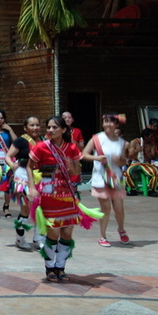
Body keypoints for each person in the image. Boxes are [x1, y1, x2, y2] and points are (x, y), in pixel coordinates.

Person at [26, 116, 96, 282]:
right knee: (53, 231)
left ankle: (61, 267)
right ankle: (50, 267)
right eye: (48, 127)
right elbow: (29, 166)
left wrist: (70, 163)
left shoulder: (71, 147)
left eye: (54, 127)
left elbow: (74, 173)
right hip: (49, 194)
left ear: (63, 130)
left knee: (67, 233)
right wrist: (31, 186)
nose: (50, 130)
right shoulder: (42, 147)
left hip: (67, 194)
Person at [81, 113, 130, 248]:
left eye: (111, 122)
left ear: (117, 125)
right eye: (106, 122)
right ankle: (102, 235)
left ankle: (121, 229)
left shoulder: (122, 143)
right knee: (106, 209)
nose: (108, 124)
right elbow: (83, 154)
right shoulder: (97, 139)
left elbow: (124, 161)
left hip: (116, 179)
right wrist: (96, 158)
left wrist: (118, 161)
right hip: (100, 179)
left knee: (119, 209)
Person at [5, 115, 42, 251]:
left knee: (39, 209)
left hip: (38, 177)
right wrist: (13, 166)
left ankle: (38, 238)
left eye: (37, 125)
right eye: (31, 125)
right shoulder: (21, 141)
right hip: (23, 177)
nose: (35, 128)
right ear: (26, 128)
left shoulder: (43, 141)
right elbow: (8, 156)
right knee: (25, 208)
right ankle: (20, 239)